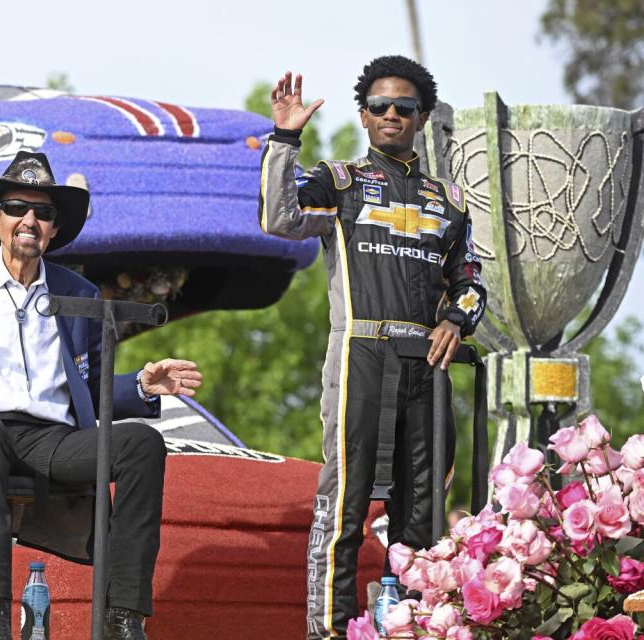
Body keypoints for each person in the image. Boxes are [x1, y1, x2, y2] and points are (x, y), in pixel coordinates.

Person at [0, 151, 202, 640]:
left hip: (50, 438)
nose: (30, 220)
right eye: (16, 208)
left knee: (141, 444)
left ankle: (123, 617)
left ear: (52, 229)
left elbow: (86, 390)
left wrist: (141, 385)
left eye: (43, 213)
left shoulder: (79, 293)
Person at [258, 55, 487, 638]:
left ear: (422, 117)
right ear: (363, 116)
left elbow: (471, 281)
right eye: (380, 106)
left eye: (404, 107)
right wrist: (285, 136)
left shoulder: (451, 201)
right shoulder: (342, 181)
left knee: (424, 513)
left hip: (427, 363)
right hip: (360, 351)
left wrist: (456, 324)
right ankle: (329, 630)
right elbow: (279, 217)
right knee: (346, 505)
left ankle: (411, 624)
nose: (392, 114)